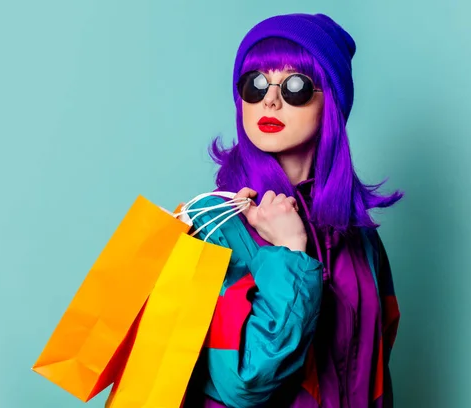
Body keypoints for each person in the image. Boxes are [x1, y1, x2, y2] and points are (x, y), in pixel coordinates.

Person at [182, 13, 404, 408]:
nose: (270, 99)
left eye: (296, 86)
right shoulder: (212, 227)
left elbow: (375, 372)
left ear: (331, 103)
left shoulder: (360, 237)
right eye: (256, 84)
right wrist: (288, 252)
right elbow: (241, 383)